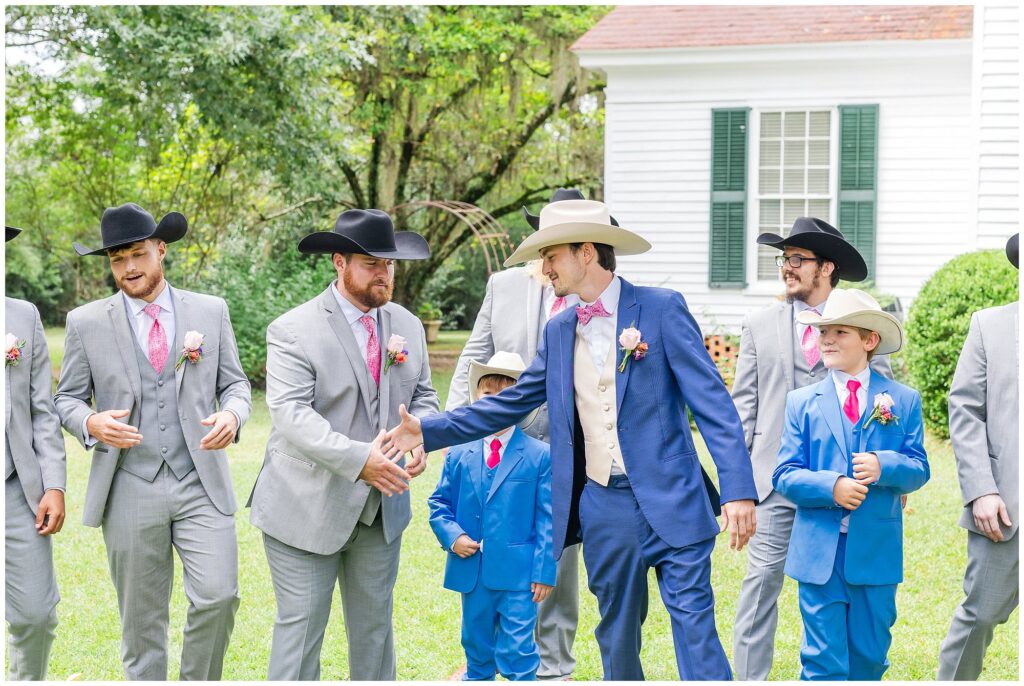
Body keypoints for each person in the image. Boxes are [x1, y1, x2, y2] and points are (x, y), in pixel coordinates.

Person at [385, 199, 757, 680]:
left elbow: (713, 404)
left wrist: (739, 491)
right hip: (605, 506)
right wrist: (428, 430)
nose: (543, 268)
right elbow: (509, 403)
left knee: (695, 629)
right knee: (617, 633)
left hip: (676, 497)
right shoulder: (560, 329)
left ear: (586, 252)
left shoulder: (662, 310)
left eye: (551, 255)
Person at [54, 203, 252, 680]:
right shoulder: (85, 322)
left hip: (199, 480)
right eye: (117, 259)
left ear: (161, 249)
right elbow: (66, 399)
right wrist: (91, 424)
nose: (129, 268)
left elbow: (237, 385)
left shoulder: (210, 311)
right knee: (141, 625)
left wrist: (232, 413)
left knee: (219, 596)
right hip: (128, 485)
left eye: (138, 255)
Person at [247, 208, 439, 680]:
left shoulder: (407, 327)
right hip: (304, 507)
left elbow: (424, 397)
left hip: (381, 512)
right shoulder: (292, 329)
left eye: (389, 264)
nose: (384, 273)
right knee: (301, 634)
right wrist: (361, 460)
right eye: (372, 262)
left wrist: (422, 437)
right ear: (339, 262)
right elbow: (292, 415)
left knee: (375, 635)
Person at [446, 187, 604, 680]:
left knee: (556, 558)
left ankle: (553, 665)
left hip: (570, 449)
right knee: (496, 551)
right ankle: (492, 660)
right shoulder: (503, 285)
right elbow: (473, 357)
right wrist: (456, 431)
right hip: (503, 446)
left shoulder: (596, 289)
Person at [731, 216, 892, 679]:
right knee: (760, 585)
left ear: (827, 267)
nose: (787, 267)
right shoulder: (759, 324)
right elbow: (744, 407)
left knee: (843, 588)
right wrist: (738, 488)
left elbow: (885, 396)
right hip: (776, 482)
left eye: (798, 259)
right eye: (784, 258)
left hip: (849, 490)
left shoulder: (862, 320)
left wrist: (884, 472)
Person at [773, 288, 929, 680]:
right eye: (822, 331)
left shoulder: (902, 400)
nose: (826, 339)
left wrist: (884, 465)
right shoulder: (801, 402)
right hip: (819, 553)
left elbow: (919, 467)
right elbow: (785, 474)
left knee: (870, 658)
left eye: (839, 331)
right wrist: (833, 486)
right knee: (822, 661)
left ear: (869, 340)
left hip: (875, 551)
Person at [429, 351, 556, 681]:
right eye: (489, 394)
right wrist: (453, 536)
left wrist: (544, 570)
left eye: (507, 395)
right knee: (475, 642)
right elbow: (439, 503)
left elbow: (548, 519)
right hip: (472, 572)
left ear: (521, 403)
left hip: (520, 576)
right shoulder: (459, 452)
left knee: (518, 649)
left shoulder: (539, 456)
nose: (497, 402)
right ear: (476, 398)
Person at [936, 233, 1019, 680]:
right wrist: (982, 491)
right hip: (1006, 507)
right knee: (980, 615)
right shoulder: (989, 325)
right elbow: (965, 410)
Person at [5, 226, 67, 681]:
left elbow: (43, 411)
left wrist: (55, 484)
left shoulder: (22, 317)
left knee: (35, 615)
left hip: (16, 486)